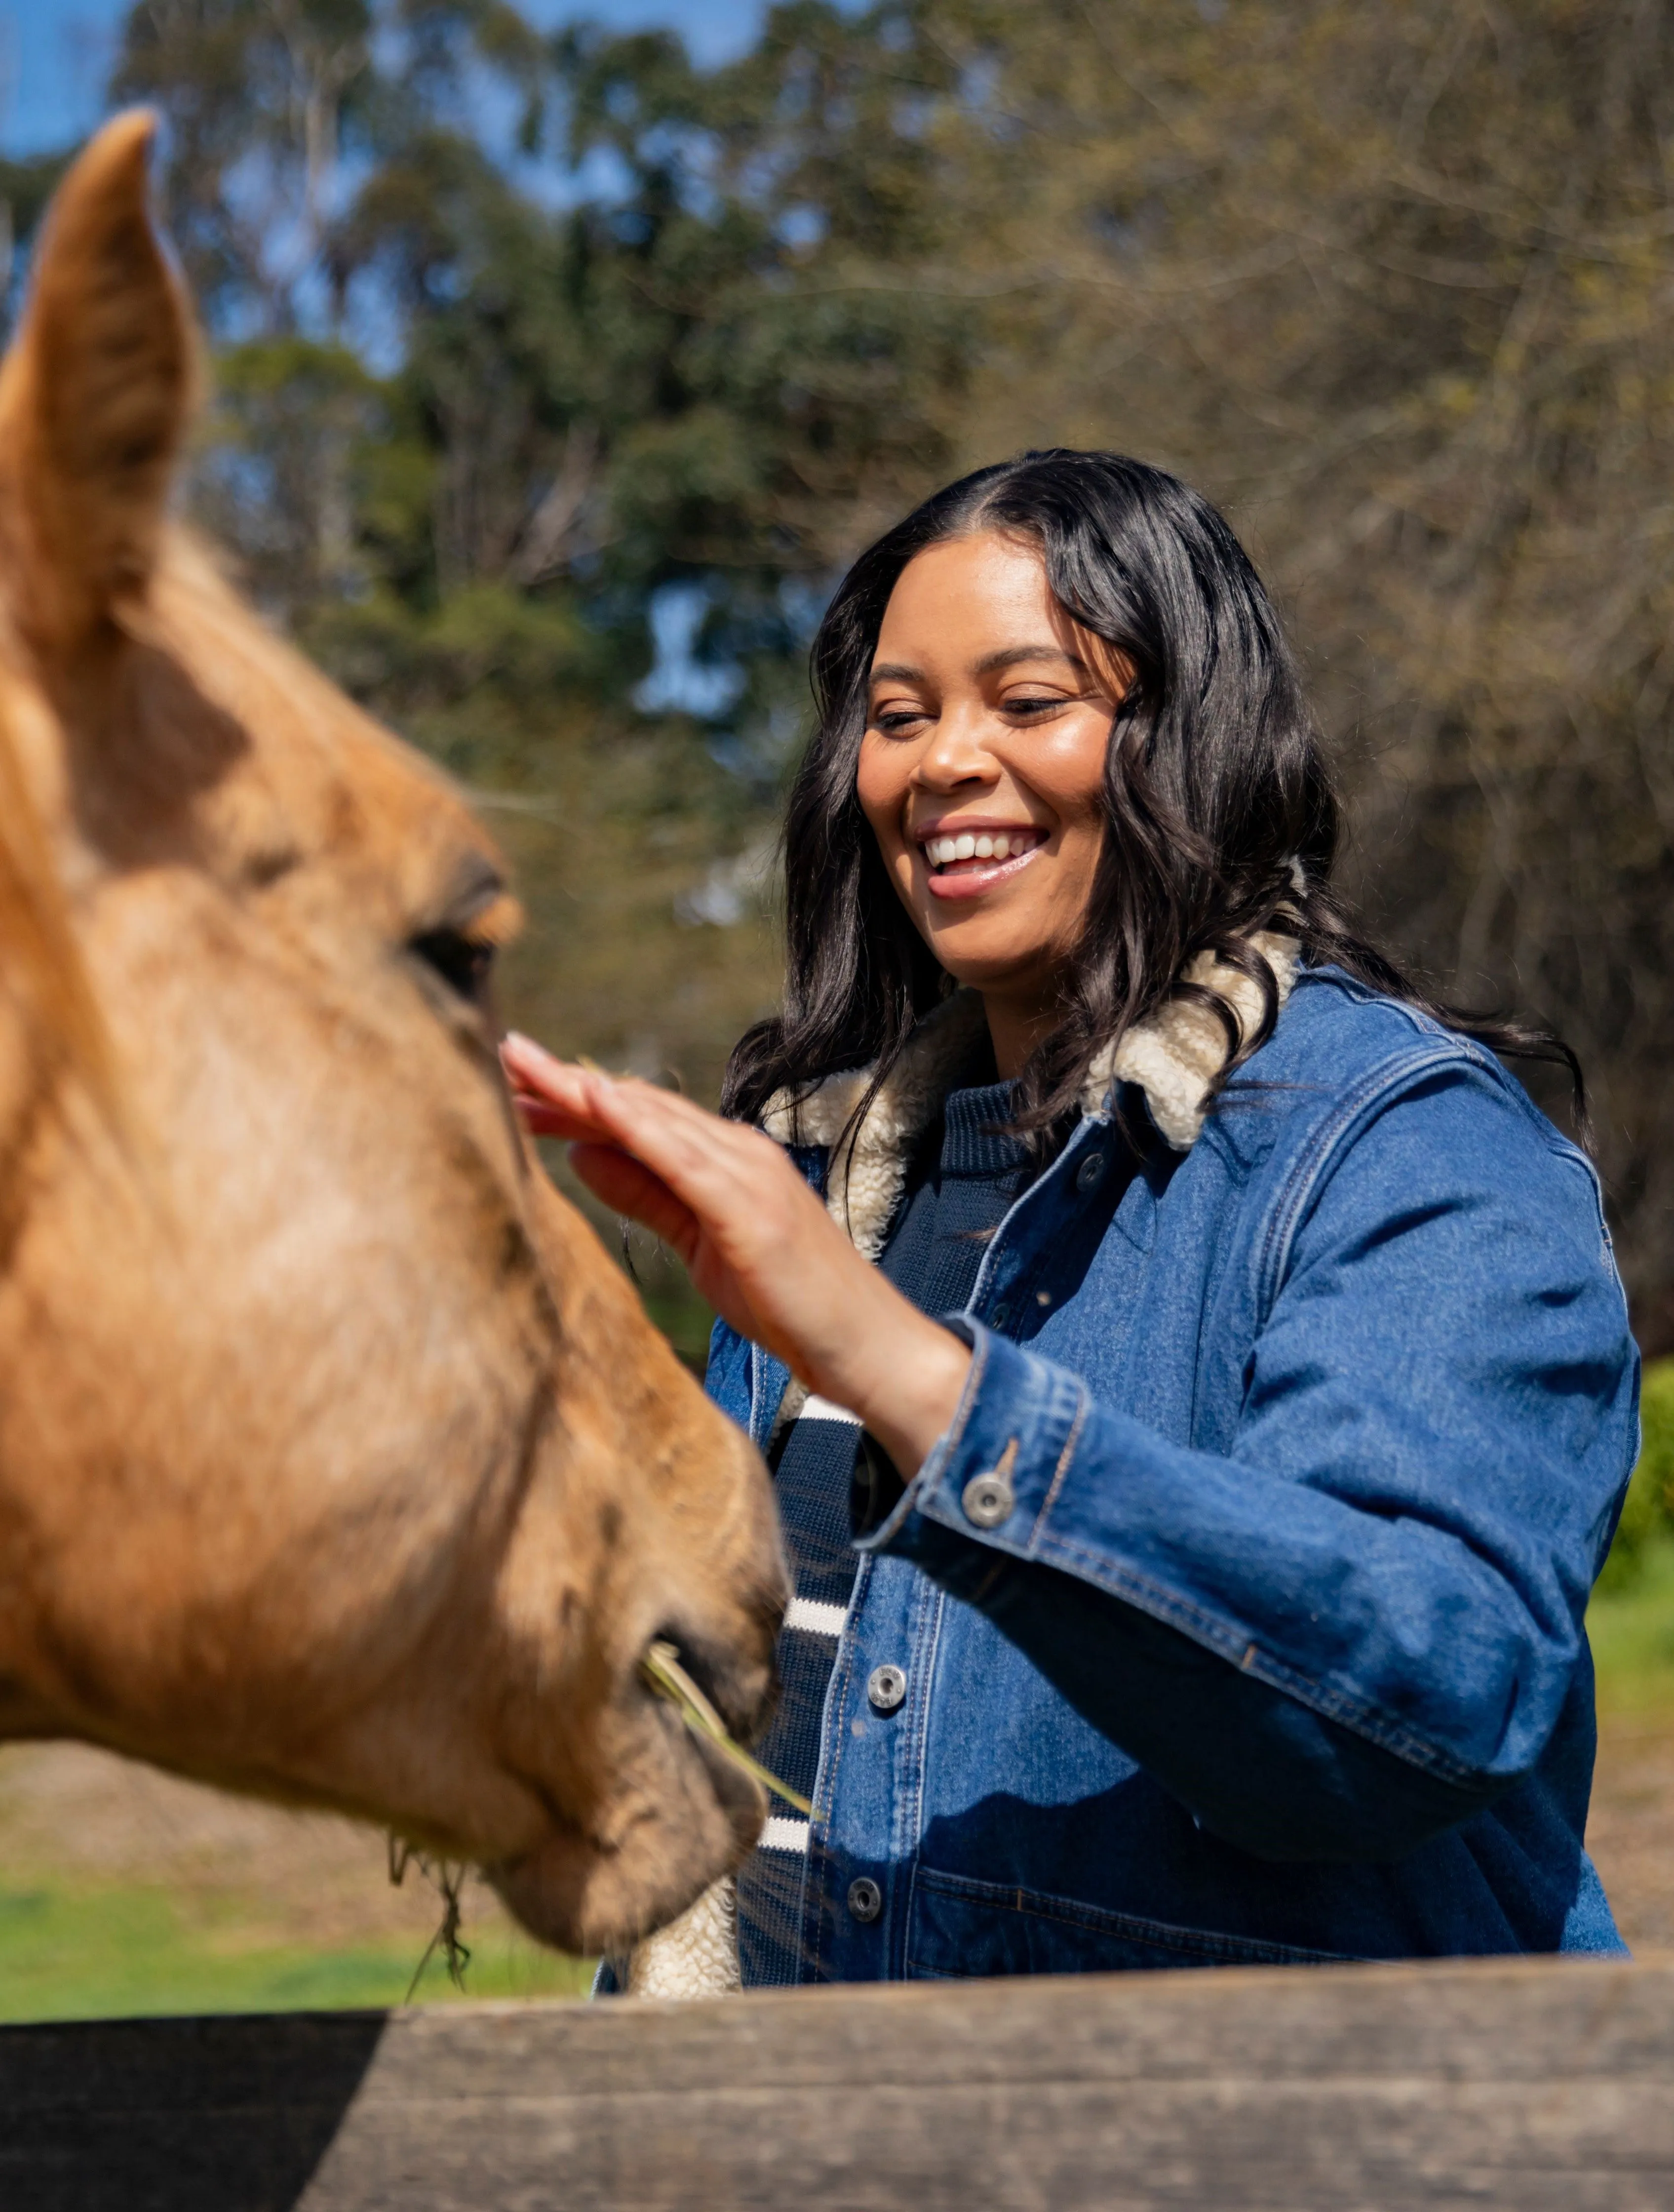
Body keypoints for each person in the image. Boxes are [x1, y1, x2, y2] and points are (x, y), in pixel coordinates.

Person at [502, 450, 1638, 1987]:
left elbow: (1424, 1695)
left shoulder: (1404, 1150)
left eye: (1027, 704)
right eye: (898, 719)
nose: (942, 763)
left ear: (1191, 738)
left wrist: (905, 1377)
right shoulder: (831, 1180)